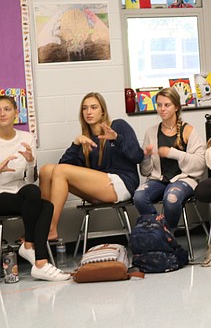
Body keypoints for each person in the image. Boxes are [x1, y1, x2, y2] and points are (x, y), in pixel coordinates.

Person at [40, 92, 143, 240]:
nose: (89, 112)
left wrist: (117, 139)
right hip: (99, 188)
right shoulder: (85, 140)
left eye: (94, 107)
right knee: (46, 171)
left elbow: (138, 156)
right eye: (85, 108)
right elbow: (60, 170)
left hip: (122, 184)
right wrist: (75, 144)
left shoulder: (118, 125)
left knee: (60, 171)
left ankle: (49, 229)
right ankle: (41, 224)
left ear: (102, 111)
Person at [0, 96, 70, 281]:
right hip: (1, 194)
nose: (2, 113)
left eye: (7, 109)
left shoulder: (26, 138)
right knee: (46, 206)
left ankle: (35, 254)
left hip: (20, 191)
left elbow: (31, 180)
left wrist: (31, 162)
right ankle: (36, 256)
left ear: (16, 112)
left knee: (34, 192)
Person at [133, 87, 206, 231]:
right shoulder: (151, 132)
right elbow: (145, 171)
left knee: (171, 199)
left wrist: (173, 153)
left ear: (176, 107)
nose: (162, 109)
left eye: (167, 105)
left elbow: (200, 164)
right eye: (159, 105)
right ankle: (160, 229)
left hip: (184, 180)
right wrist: (146, 157)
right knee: (139, 196)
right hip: (158, 180)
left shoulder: (188, 130)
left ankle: (167, 234)